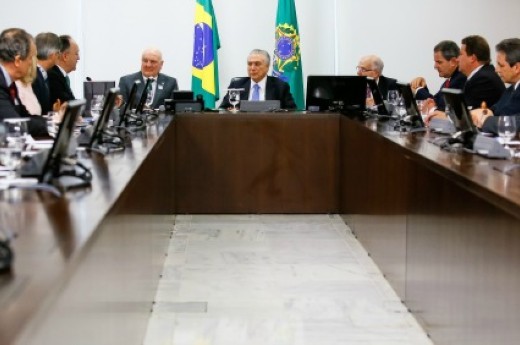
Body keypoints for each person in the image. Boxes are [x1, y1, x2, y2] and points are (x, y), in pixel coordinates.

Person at [425, 35, 505, 124]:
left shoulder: (483, 79)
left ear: (472, 58)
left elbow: (468, 115)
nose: (458, 59)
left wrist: (445, 116)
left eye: (460, 54)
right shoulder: (479, 76)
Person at [0, 28, 48, 137]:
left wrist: (51, 121)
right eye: (31, 58)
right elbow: (16, 125)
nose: (33, 63)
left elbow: (24, 116)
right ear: (17, 61)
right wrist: (52, 123)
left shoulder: (10, 84)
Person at [470, 38, 520, 133]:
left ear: (517, 68)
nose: (496, 70)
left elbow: (516, 123)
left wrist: (485, 120)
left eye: (501, 65)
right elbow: (497, 108)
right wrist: (486, 112)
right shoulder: (511, 88)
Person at [219, 49, 296, 110]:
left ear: (267, 67)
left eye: (257, 64)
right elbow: (222, 109)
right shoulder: (236, 85)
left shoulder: (280, 87)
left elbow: (291, 111)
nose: (252, 68)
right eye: (249, 64)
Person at [411, 40, 467, 112]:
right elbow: (435, 100)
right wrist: (422, 86)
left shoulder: (460, 79)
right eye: (435, 62)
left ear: (453, 62)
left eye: (439, 62)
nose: (435, 66)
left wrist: (417, 90)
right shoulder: (451, 79)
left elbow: (440, 105)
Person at [32, 32, 61, 115]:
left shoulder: (42, 73)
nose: (59, 56)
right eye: (58, 53)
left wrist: (52, 110)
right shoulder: (33, 76)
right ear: (52, 55)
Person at [48, 35, 79, 105]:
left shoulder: (61, 75)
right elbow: (66, 103)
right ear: (65, 56)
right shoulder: (52, 76)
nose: (78, 58)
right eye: (76, 54)